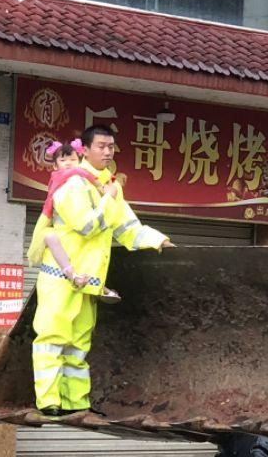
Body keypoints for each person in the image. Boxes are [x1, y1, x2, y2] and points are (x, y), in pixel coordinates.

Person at [32, 124, 175, 417]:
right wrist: (109, 198)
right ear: (85, 149)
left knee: (79, 345)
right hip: (61, 277)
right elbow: (87, 226)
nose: (108, 152)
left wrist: (160, 241)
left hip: (88, 282)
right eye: (101, 146)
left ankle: (76, 402)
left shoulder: (109, 185)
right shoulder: (72, 183)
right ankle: (48, 401)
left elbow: (127, 229)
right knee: (52, 338)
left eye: (111, 147)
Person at [27, 138, 120, 299]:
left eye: (72, 160)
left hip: (73, 230)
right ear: (55, 166)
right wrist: (105, 192)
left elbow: (92, 179)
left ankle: (93, 283)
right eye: (63, 160)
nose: (69, 164)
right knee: (52, 239)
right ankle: (75, 277)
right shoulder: (71, 179)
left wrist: (103, 190)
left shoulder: (80, 178)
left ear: (80, 161)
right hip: (64, 227)